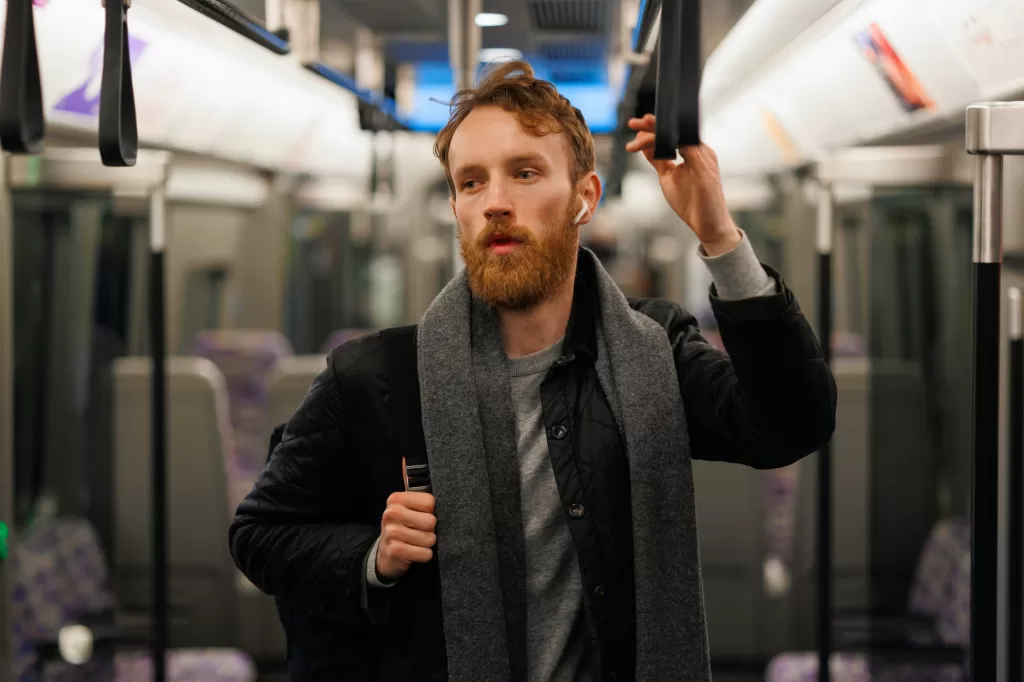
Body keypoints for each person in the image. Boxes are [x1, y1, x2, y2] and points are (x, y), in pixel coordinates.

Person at [229, 60, 837, 682]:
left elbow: (792, 425)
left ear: (584, 198)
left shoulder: (654, 351)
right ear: (456, 208)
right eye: (471, 183)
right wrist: (373, 556)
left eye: (524, 173)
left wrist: (719, 236)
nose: (495, 202)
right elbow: (260, 534)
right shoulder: (375, 377)